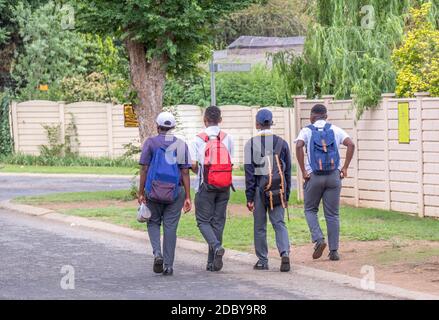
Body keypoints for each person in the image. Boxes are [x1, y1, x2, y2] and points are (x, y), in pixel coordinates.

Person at [295, 104, 355, 261]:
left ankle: (319, 239)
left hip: (313, 176)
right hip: (334, 176)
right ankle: (334, 251)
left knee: (310, 209)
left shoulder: (306, 130)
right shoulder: (335, 129)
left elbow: (299, 145)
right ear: (326, 116)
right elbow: (351, 144)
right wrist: (345, 168)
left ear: (311, 117)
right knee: (333, 214)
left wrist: (303, 170)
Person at [138, 112, 192, 276]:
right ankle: (168, 265)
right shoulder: (181, 144)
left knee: (153, 222)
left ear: (157, 126)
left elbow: (144, 169)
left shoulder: (151, 143)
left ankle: (157, 253)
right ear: (173, 127)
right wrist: (188, 196)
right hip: (175, 192)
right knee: (170, 227)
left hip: (153, 191)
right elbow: (185, 172)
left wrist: (141, 192)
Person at [244, 109, 292, 272]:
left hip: (259, 188)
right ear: (271, 123)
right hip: (277, 189)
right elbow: (287, 172)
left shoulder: (250, 144)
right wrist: (286, 194)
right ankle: (284, 253)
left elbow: (249, 173)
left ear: (257, 124)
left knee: (260, 225)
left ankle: (263, 260)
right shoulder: (282, 143)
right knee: (279, 223)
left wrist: (249, 197)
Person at [190, 106, 234, 272]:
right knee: (218, 222)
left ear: (204, 120)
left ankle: (216, 247)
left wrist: (201, 172)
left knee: (202, 221)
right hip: (224, 187)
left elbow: (193, 165)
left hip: (205, 186)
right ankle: (212, 262)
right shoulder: (227, 138)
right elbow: (231, 163)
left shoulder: (197, 139)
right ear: (220, 120)